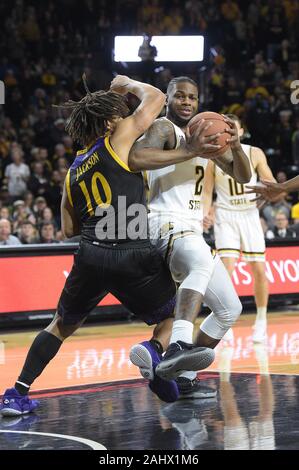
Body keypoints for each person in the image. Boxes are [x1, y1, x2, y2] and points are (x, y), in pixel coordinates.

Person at [0, 74, 215, 416]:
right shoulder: (117, 139)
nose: (123, 118)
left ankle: (17, 392)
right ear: (107, 122)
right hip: (133, 251)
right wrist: (128, 83)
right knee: (173, 314)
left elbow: (67, 227)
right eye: (117, 115)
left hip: (91, 254)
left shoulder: (72, 171)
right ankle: (156, 360)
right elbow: (158, 97)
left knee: (59, 325)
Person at [129, 77, 251, 398]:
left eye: (192, 97)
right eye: (179, 96)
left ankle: (182, 375)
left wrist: (235, 147)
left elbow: (244, 176)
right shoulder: (165, 128)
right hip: (164, 222)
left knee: (229, 309)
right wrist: (188, 151)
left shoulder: (203, 136)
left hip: (190, 231)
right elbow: (136, 158)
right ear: (167, 99)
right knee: (199, 260)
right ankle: (179, 345)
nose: (186, 102)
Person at [202, 114, 277, 343]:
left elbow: (270, 180)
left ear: (241, 131)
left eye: (234, 127)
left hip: (249, 214)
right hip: (226, 215)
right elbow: (207, 190)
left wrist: (270, 188)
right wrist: (206, 213)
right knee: (226, 271)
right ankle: (224, 321)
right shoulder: (213, 155)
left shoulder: (254, 152)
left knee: (259, 270)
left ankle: (261, 321)